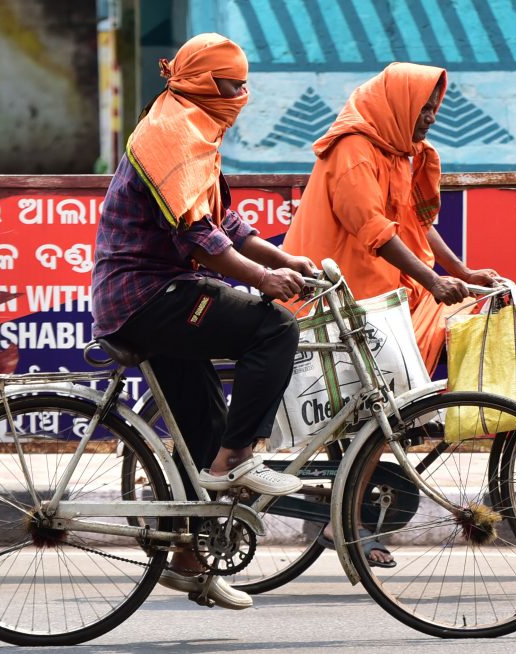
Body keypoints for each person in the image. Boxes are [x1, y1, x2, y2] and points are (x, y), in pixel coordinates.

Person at [91, 33, 316, 610]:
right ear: (201, 82)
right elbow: (200, 238)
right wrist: (264, 282)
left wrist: (283, 258)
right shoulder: (171, 132)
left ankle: (188, 558)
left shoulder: (193, 127)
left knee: (202, 427)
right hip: (146, 297)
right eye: (231, 84)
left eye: (245, 83)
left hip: (161, 295)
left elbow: (227, 223)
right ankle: (239, 459)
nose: (242, 94)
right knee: (274, 327)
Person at [282, 63, 499, 377]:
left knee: (466, 324)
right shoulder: (352, 150)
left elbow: (414, 223)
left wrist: (462, 272)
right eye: (423, 108)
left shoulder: (395, 151)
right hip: (335, 300)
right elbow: (374, 229)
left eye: (433, 108)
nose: (432, 117)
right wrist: (433, 281)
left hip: (378, 295)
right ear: (400, 105)